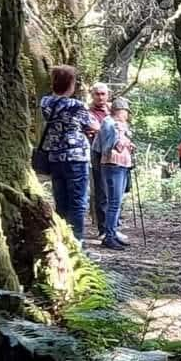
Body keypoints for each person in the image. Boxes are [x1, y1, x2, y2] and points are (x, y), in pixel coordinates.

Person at [40, 65, 94, 242]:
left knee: (61, 201)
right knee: (78, 203)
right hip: (76, 157)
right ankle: (76, 243)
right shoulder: (76, 105)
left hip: (54, 156)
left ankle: (61, 241)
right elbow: (94, 126)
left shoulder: (45, 102)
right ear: (70, 84)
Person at [97, 98, 134, 251]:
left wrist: (127, 142)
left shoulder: (118, 124)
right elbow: (110, 147)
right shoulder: (110, 123)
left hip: (121, 165)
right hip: (113, 165)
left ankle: (112, 233)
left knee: (116, 203)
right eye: (126, 112)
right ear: (120, 111)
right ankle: (109, 236)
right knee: (113, 202)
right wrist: (123, 139)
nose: (127, 115)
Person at [87, 82, 111, 236]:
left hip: (115, 155)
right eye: (97, 94)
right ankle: (103, 228)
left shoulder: (112, 110)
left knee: (115, 190)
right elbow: (95, 128)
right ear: (92, 95)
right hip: (97, 154)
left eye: (103, 94)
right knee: (101, 191)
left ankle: (113, 226)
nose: (100, 97)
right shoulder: (87, 111)